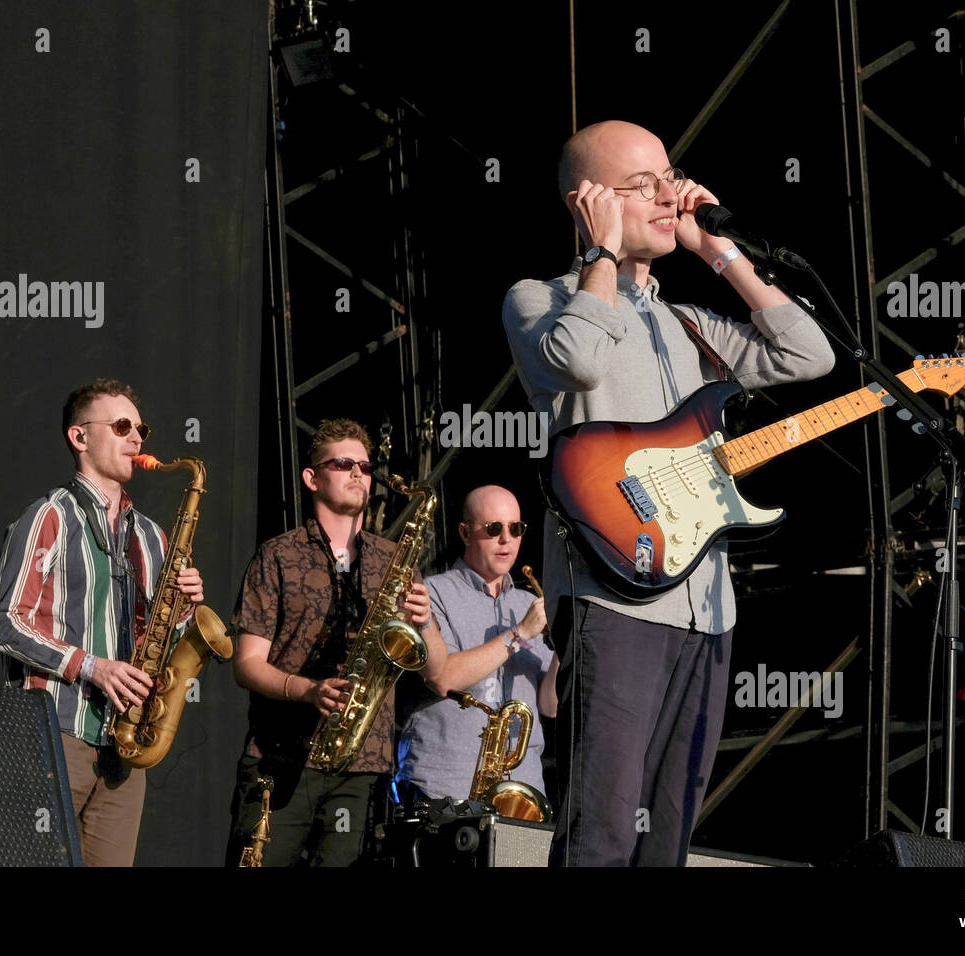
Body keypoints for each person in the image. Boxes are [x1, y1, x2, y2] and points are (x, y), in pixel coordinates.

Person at [502, 120, 836, 866]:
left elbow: (809, 353)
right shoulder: (538, 300)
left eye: (670, 175)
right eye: (642, 183)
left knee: (669, 843)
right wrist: (601, 254)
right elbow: (579, 362)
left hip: (707, 603)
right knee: (602, 833)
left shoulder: (688, 322)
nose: (667, 193)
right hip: (614, 599)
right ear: (586, 201)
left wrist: (716, 249)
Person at [0, 378, 205, 867]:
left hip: (124, 741)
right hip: (54, 732)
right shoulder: (49, 517)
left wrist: (185, 606)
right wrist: (92, 667)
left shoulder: (152, 535)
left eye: (141, 429)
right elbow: (3, 622)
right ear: (79, 437)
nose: (137, 439)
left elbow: (163, 635)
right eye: (122, 426)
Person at [225, 418, 448, 866]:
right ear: (312, 478)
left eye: (365, 467)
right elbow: (246, 663)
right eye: (343, 463)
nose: (357, 474)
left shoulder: (393, 560)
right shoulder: (278, 554)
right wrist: (308, 690)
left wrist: (423, 624)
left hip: (362, 767)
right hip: (281, 759)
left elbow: (439, 673)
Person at [394, 485, 557, 810]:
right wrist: (519, 634)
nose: (506, 540)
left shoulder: (527, 601)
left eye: (516, 529)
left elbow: (550, 706)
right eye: (494, 529)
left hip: (520, 788)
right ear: (466, 533)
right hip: (446, 784)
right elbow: (444, 678)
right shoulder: (433, 593)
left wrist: (565, 646)